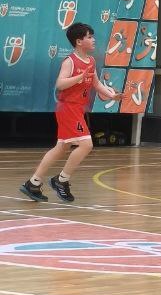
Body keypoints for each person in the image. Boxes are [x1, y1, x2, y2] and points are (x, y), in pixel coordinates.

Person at [21, 21, 119, 203]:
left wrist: (112, 96)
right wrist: (80, 77)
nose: (93, 40)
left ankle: (33, 183)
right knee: (86, 145)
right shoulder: (70, 61)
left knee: (61, 148)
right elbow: (60, 84)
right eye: (89, 37)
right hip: (68, 108)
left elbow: (97, 84)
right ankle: (61, 180)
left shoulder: (91, 61)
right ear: (79, 41)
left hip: (77, 109)